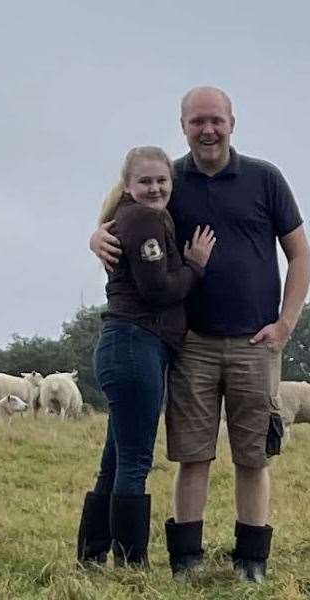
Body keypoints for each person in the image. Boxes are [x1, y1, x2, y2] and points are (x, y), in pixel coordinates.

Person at [89, 86, 310, 582]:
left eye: (216, 120)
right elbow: (123, 211)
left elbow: (299, 253)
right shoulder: (170, 179)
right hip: (191, 344)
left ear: (233, 121)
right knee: (193, 455)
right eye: (197, 122)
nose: (207, 130)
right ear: (183, 125)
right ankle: (186, 560)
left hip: (257, 342)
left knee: (254, 455)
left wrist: (285, 324)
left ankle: (251, 560)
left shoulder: (265, 178)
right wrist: (94, 233)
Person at [76, 146, 215, 568]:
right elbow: (158, 289)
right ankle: (131, 562)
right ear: (129, 184)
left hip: (128, 345)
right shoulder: (144, 219)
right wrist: (195, 267)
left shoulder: (134, 217)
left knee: (116, 458)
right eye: (145, 181)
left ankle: (92, 555)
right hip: (137, 345)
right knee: (135, 461)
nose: (155, 188)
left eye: (162, 181)